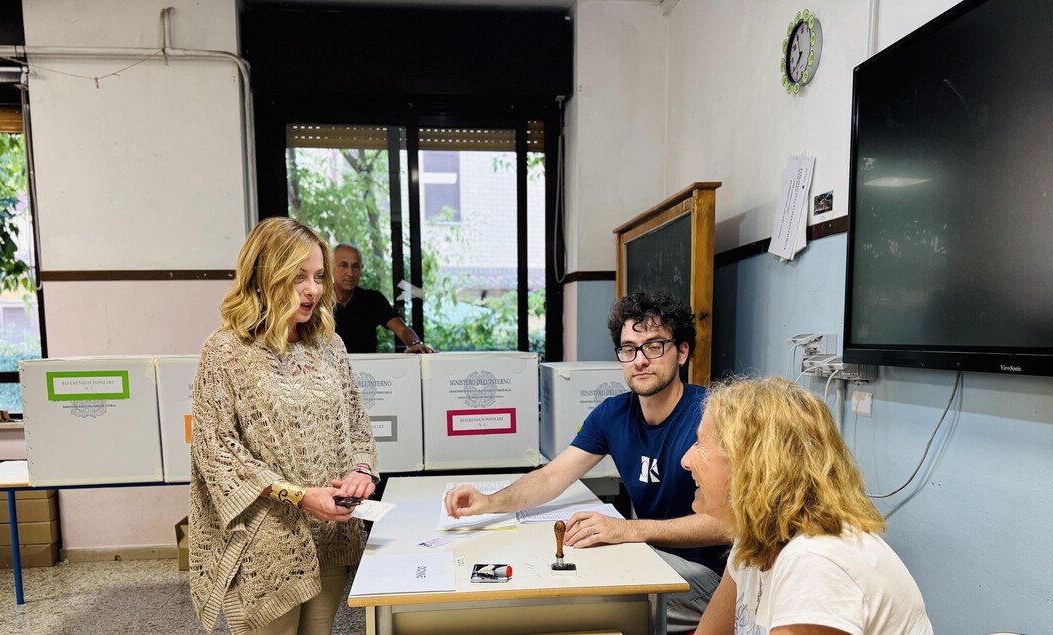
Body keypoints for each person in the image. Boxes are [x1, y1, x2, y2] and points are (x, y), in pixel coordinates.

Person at [445, 291, 730, 632]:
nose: (640, 360)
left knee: (574, 604)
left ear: (682, 352)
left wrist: (628, 529)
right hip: (646, 552)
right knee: (558, 571)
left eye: (654, 346)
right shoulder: (613, 413)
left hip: (707, 579)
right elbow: (552, 476)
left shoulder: (712, 415)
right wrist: (490, 501)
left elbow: (729, 524)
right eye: (629, 349)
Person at [188, 218, 380, 635]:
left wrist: (361, 473)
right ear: (264, 276)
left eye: (317, 277)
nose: (312, 290)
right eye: (297, 278)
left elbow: (358, 425)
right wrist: (299, 496)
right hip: (268, 537)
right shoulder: (225, 350)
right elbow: (215, 449)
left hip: (331, 529)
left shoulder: (329, 345)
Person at [684, 377, 933, 635]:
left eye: (700, 443)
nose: (686, 460)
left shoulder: (816, 560)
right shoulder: (756, 540)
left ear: (750, 465)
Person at [332, 242, 435, 354]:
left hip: (366, 369)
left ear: (361, 269)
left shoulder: (373, 300)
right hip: (326, 370)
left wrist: (417, 344)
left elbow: (402, 329)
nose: (350, 273)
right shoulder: (318, 300)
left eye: (355, 266)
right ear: (330, 267)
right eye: (343, 265)